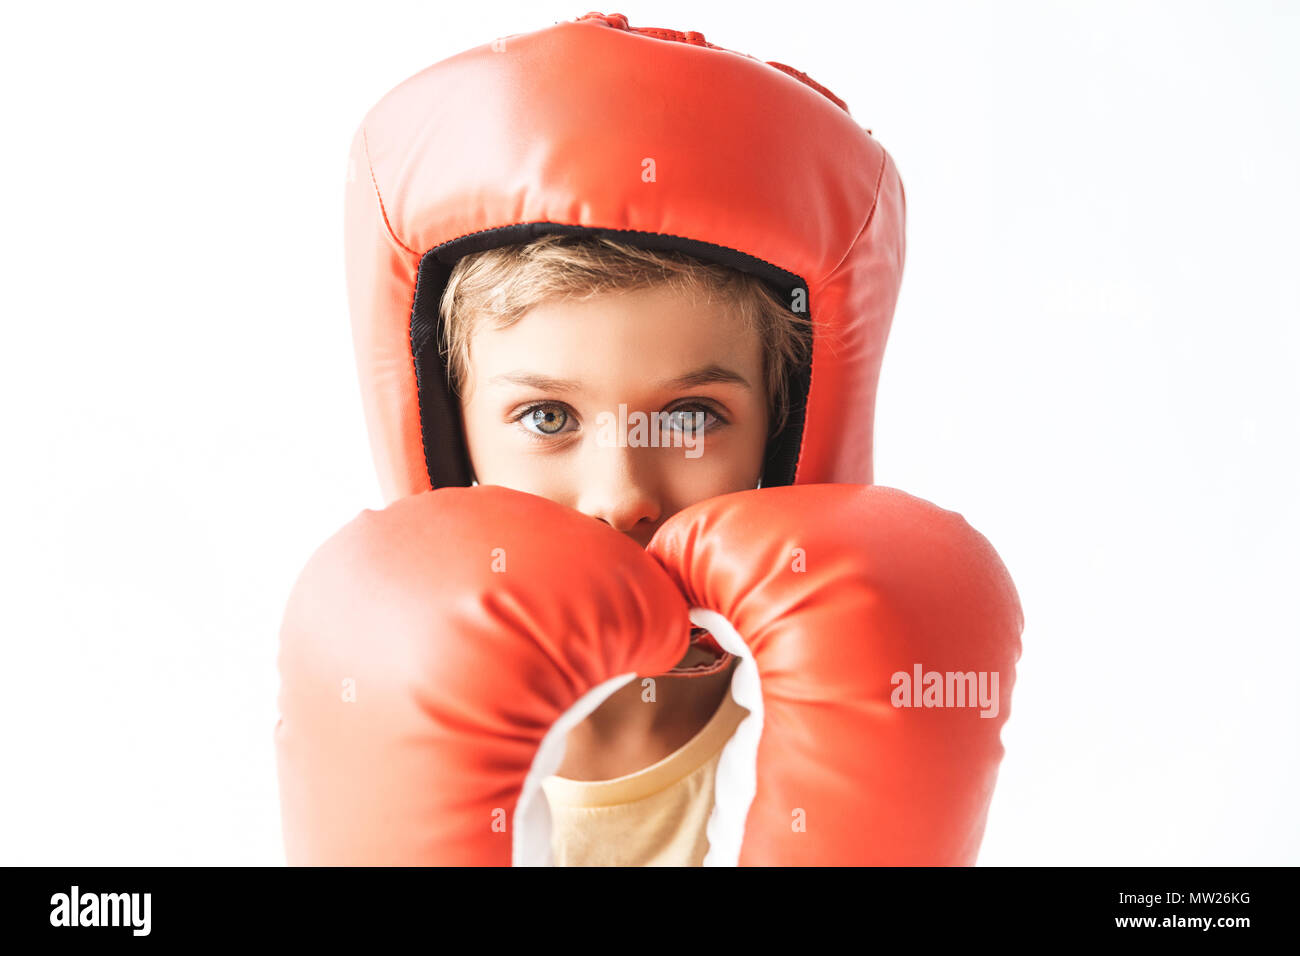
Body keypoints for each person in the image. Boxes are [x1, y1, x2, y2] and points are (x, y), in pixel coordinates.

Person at [442, 234, 810, 863]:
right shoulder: (395, 727)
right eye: (547, 416)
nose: (620, 497)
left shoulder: (822, 719)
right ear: (452, 443)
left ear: (779, 438)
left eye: (690, 417)